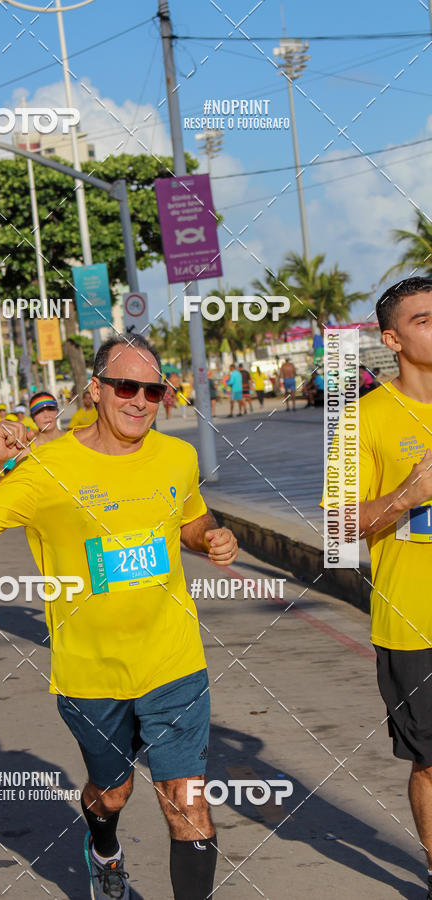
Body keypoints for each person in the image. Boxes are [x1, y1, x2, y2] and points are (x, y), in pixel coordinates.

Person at [0, 334, 239, 900]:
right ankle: (104, 846)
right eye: (126, 387)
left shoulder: (178, 457)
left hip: (174, 661)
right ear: (95, 391)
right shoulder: (47, 467)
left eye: (154, 390)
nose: (141, 401)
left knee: (188, 800)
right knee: (113, 793)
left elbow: (190, 519)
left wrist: (211, 537)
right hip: (89, 673)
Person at [324, 277, 432, 898]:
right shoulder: (360, 420)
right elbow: (337, 527)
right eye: (423, 320)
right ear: (391, 340)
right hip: (413, 622)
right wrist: (407, 496)